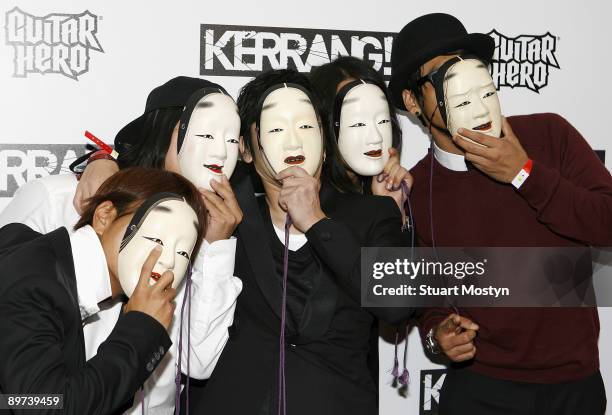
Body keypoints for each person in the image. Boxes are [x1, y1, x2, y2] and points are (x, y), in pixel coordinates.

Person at [388, 12, 612, 414]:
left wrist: (524, 173)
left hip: (571, 387)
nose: (462, 85)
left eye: (467, 66)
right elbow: (426, 296)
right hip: (479, 389)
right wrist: (439, 335)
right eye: (442, 74)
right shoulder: (415, 187)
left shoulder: (548, 135)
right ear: (412, 100)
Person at [0, 77, 243, 414]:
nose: (219, 151)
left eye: (232, 138)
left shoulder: (211, 227)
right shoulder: (58, 200)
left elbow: (198, 361)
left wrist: (215, 247)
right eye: (205, 133)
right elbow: (39, 400)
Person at [189, 69, 415, 415]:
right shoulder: (227, 217)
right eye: (276, 129)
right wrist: (103, 162)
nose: (294, 143)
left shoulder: (373, 212)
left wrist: (316, 222)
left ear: (326, 143)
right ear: (246, 150)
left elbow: (397, 305)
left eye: (307, 127)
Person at [0, 168, 205, 414]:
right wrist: (142, 329)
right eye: (157, 239)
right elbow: (44, 405)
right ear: (104, 216)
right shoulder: (34, 282)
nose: (169, 260)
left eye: (184, 252)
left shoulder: (57, 269)